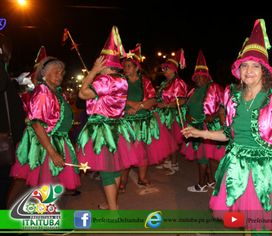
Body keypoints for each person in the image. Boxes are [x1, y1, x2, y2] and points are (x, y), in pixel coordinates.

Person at [181, 19, 272, 232]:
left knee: (259, 227)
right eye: (244, 65)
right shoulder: (233, 96)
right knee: (246, 225)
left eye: (255, 66)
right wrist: (200, 132)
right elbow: (230, 134)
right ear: (238, 70)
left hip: (265, 170)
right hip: (236, 167)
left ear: (264, 70)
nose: (249, 70)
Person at [76, 26, 140, 210]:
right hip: (118, 127)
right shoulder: (121, 80)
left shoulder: (104, 80)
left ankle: (113, 208)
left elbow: (82, 93)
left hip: (102, 129)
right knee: (114, 167)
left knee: (106, 170)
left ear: (105, 63)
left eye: (99, 62)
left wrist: (93, 71)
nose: (97, 63)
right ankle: (112, 203)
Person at [10, 56, 81, 194]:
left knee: (52, 186)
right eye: (56, 72)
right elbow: (37, 124)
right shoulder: (43, 91)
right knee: (46, 186)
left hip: (58, 140)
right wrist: (53, 153)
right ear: (44, 74)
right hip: (46, 144)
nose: (60, 76)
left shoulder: (55, 91)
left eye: (62, 73)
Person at [119, 44, 178, 192]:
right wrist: (130, 103)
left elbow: (153, 100)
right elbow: (114, 98)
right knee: (125, 150)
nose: (125, 69)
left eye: (128, 66)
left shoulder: (144, 81)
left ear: (137, 68)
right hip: (125, 121)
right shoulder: (119, 81)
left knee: (142, 150)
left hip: (143, 122)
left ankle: (142, 177)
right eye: (124, 66)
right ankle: (123, 179)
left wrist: (138, 107)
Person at [181, 50, 225, 193]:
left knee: (203, 157)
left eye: (201, 77)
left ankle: (201, 184)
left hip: (208, 126)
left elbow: (224, 105)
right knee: (203, 156)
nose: (198, 79)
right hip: (195, 126)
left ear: (207, 77)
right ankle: (211, 180)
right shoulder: (192, 91)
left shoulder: (215, 87)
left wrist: (214, 116)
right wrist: (187, 114)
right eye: (196, 77)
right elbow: (188, 106)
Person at [0, 33, 26, 209]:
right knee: (2, 187)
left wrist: (16, 82)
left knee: (4, 188)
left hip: (7, 141)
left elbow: (4, 90)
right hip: (2, 144)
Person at [155, 48, 188, 175]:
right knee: (166, 140)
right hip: (164, 115)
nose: (164, 71)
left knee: (172, 140)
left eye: (166, 68)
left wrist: (166, 105)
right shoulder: (165, 83)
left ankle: (174, 165)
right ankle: (168, 161)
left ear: (173, 70)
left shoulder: (178, 82)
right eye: (164, 68)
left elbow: (182, 101)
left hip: (173, 115)